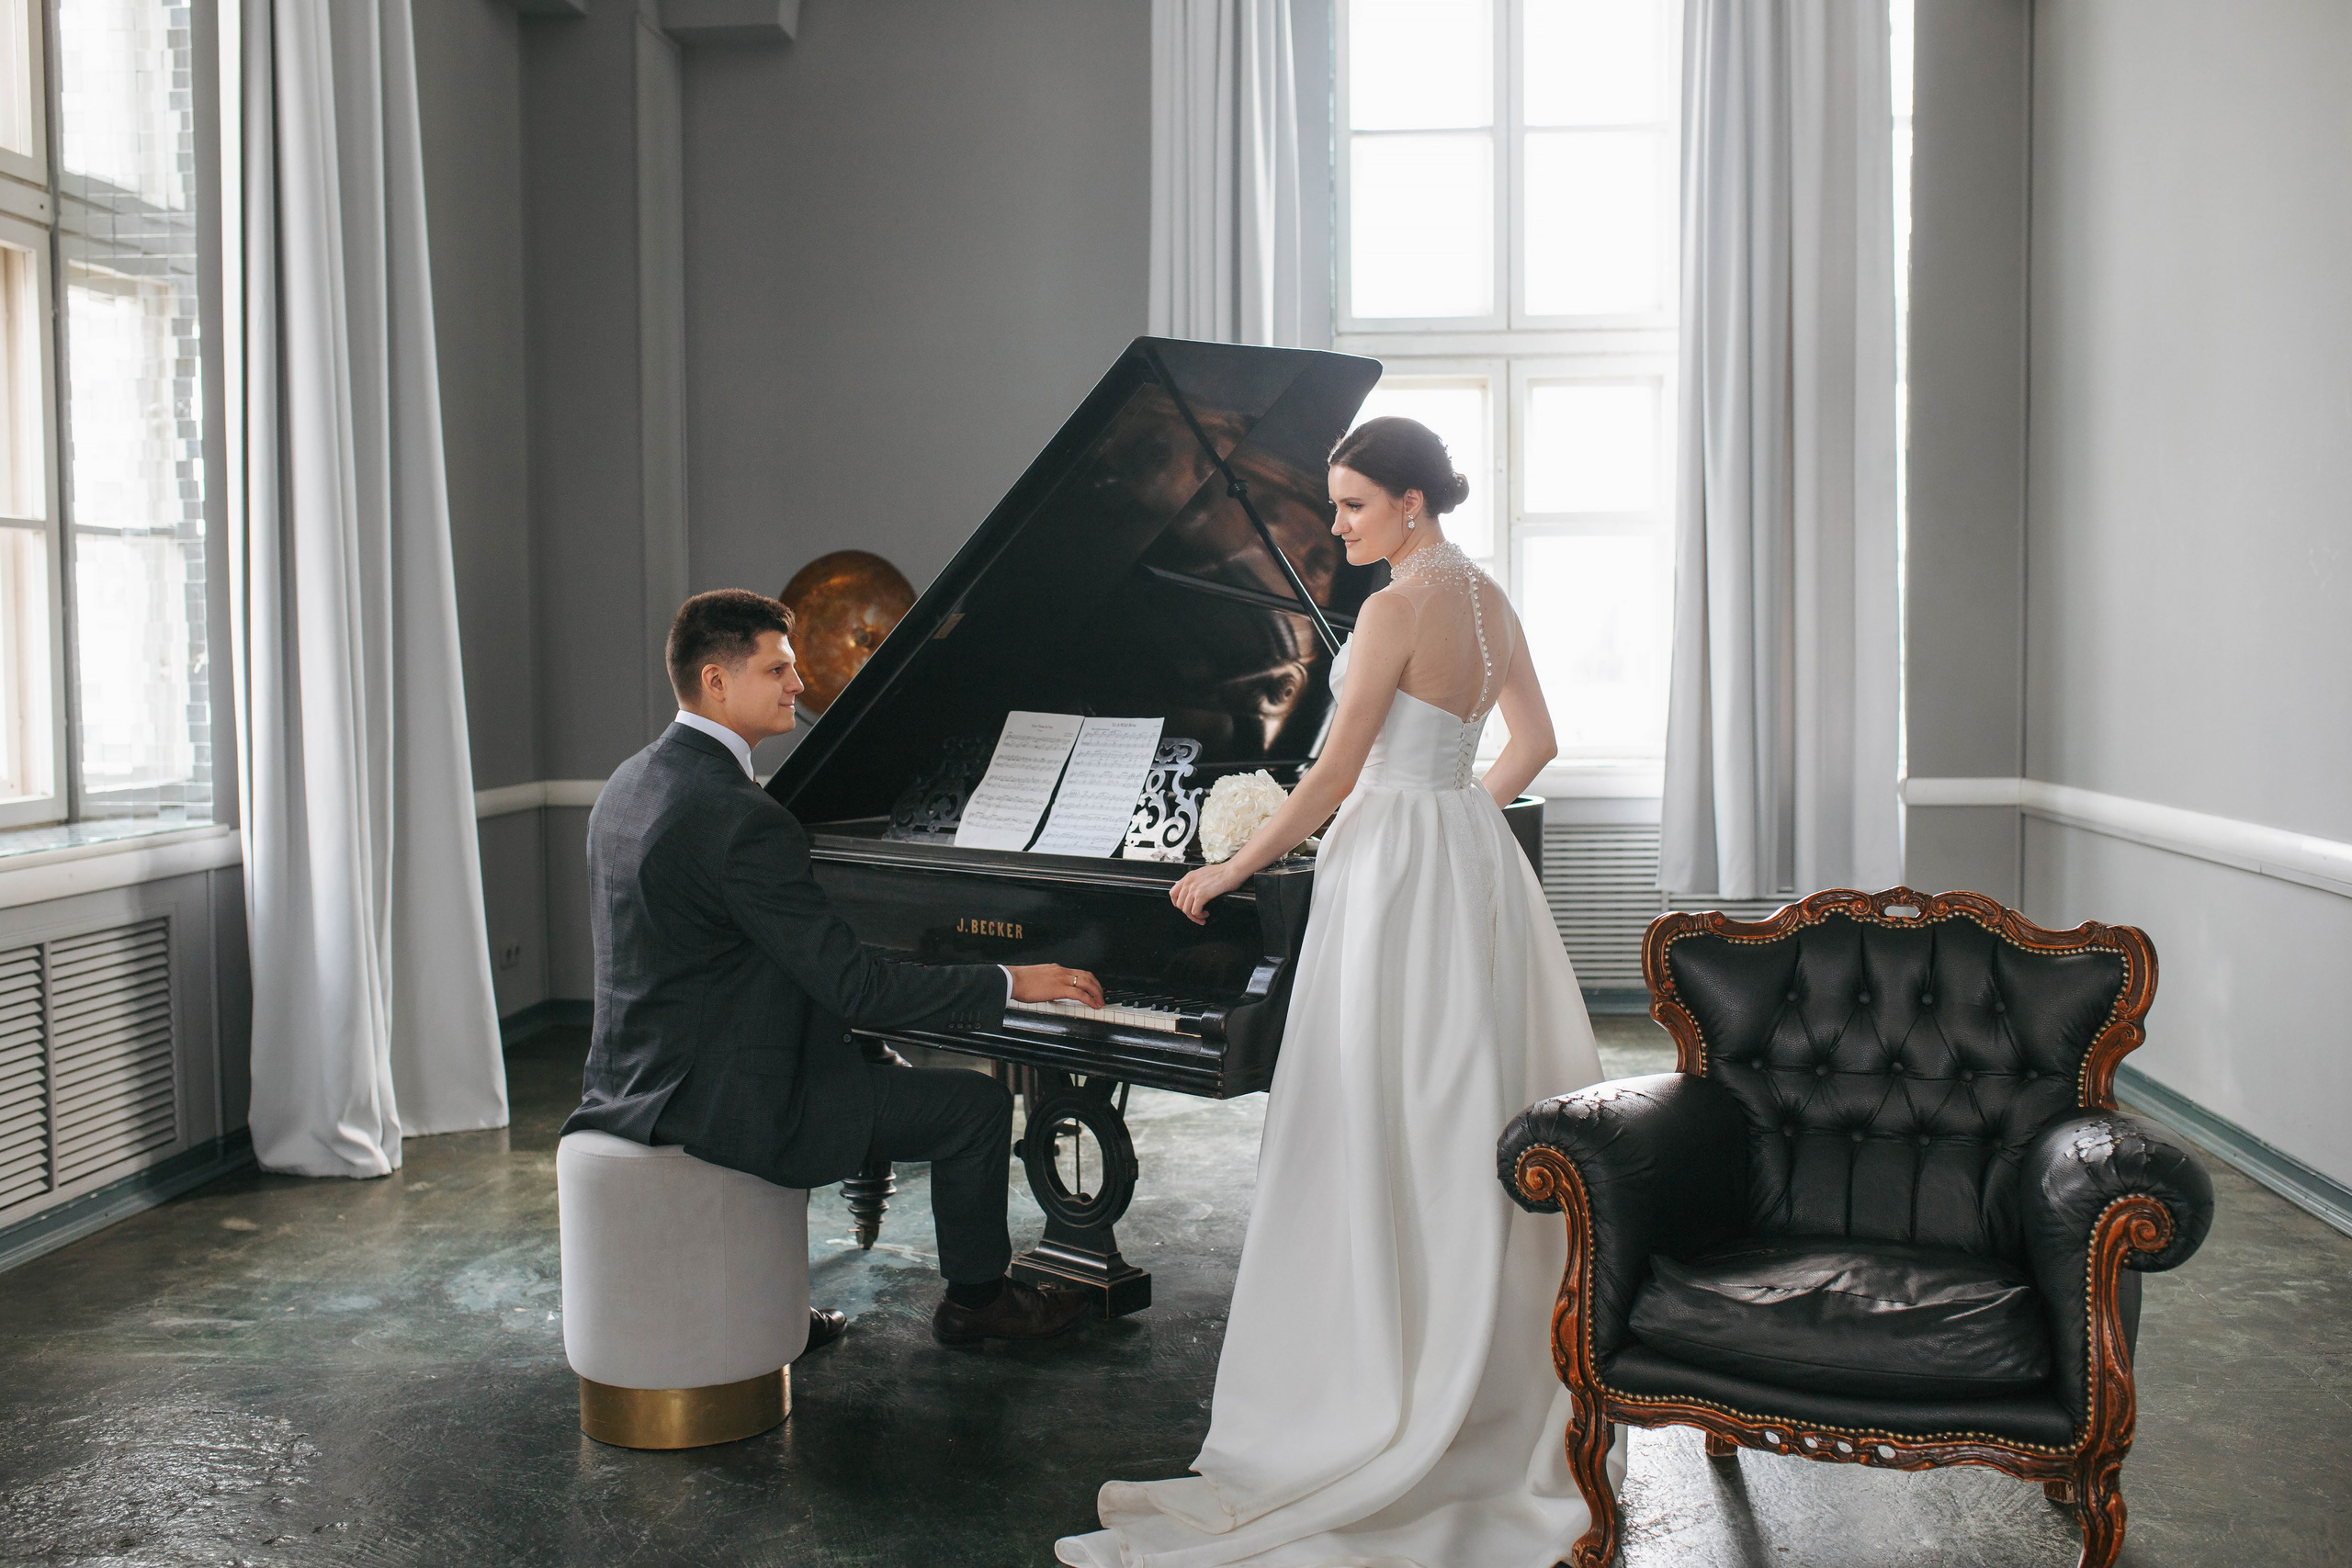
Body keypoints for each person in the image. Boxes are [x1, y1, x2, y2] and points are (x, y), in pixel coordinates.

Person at [1055, 420, 1612, 1566]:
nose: (1337, 525)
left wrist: (1229, 868)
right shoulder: (1488, 599)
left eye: (1354, 505)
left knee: (1375, 1098)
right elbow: (1537, 742)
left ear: (1411, 502)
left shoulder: (1394, 607)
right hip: (1466, 857)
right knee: (1461, 1089)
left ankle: (1375, 1364)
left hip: (1393, 871)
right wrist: (1459, 811)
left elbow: (1335, 771)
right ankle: (1469, 1348)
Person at [562, 589, 1104, 1348]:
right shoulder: (741, 815)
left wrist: (860, 1034)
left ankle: (759, 1304)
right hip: (726, 1103)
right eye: (778, 668)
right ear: (716, 681)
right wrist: (1013, 980)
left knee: (874, 1053)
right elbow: (856, 986)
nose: (799, 684)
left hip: (633, 1079)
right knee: (974, 1108)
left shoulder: (630, 781)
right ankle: (979, 1304)